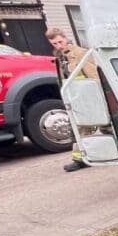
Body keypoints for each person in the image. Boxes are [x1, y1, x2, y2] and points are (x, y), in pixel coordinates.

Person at [46, 28, 97, 172]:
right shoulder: (60, 57)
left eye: (60, 42)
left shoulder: (80, 53)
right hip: (75, 98)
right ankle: (80, 159)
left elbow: (94, 76)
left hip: (89, 96)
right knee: (79, 128)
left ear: (65, 38)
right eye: (54, 43)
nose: (58, 46)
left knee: (107, 125)